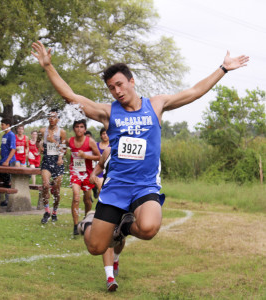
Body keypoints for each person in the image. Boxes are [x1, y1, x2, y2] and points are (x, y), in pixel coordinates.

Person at [32, 41, 249, 255]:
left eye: (120, 84)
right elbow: (71, 97)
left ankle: (124, 227)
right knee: (96, 247)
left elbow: (194, 92)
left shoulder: (156, 105)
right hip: (116, 187)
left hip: (144, 185)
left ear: (132, 81)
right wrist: (48, 66)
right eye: (111, 88)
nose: (117, 91)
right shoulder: (108, 112)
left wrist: (223, 69)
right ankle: (87, 222)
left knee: (148, 228)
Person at [88, 146, 125, 292]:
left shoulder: (136, 148)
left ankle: (115, 259)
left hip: (127, 198)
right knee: (107, 236)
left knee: (120, 237)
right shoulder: (108, 151)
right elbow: (100, 164)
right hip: (109, 198)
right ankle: (110, 278)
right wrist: (94, 173)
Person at [67, 119, 100, 235]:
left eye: (81, 127)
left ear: (85, 129)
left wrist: (85, 155)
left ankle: (86, 221)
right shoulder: (70, 141)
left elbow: (99, 157)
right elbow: (61, 148)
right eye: (77, 126)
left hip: (87, 173)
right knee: (76, 197)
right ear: (74, 129)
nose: (79, 129)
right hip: (75, 172)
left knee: (87, 200)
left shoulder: (90, 142)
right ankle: (75, 226)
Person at [37, 108, 67, 224]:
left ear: (58, 119)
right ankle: (46, 211)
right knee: (45, 185)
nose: (51, 119)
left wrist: (60, 157)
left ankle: (54, 212)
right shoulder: (42, 130)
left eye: (54, 117)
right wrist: (40, 145)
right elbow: (38, 141)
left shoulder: (62, 132)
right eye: (49, 116)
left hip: (57, 161)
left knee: (57, 191)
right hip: (47, 160)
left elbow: (64, 148)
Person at [0, 118, 16, 206]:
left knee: (8, 181)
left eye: (3, 124)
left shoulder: (11, 135)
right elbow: (4, 149)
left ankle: (8, 200)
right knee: (2, 180)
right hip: (2, 161)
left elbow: (13, 149)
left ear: (8, 125)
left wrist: (7, 161)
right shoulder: (4, 136)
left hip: (9, 161)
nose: (1, 126)